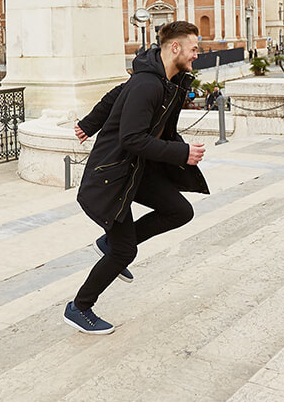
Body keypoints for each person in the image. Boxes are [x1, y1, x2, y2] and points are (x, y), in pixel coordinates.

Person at [64, 20, 209, 335]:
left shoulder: (165, 79)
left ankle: (107, 242)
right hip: (113, 176)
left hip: (137, 170)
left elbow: (118, 93)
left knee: (180, 210)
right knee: (124, 250)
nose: (197, 55)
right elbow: (131, 138)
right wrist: (181, 154)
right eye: (194, 48)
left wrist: (89, 122)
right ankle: (80, 307)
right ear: (175, 48)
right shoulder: (149, 84)